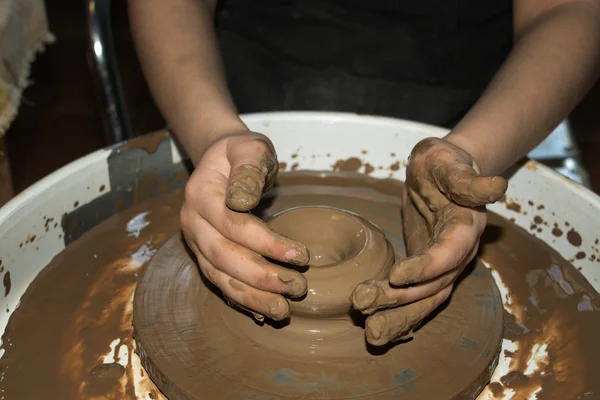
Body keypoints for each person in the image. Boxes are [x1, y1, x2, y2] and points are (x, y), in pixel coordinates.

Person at [128, 0, 600, 346]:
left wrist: (471, 156)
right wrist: (212, 132)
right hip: (237, 99)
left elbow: (568, 10)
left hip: (477, 112)